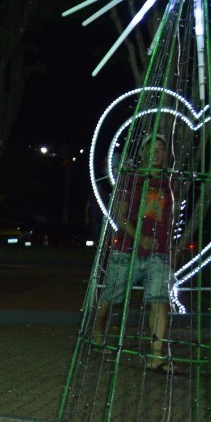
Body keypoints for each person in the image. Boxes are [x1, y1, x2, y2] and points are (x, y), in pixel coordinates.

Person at [91, 135, 177, 373]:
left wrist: (168, 245)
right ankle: (97, 332)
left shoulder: (169, 183)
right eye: (152, 148)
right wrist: (141, 237)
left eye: (161, 149)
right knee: (111, 298)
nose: (157, 152)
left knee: (159, 301)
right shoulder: (131, 180)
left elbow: (171, 217)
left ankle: (156, 355)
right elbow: (120, 216)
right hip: (127, 251)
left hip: (158, 254)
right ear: (143, 153)